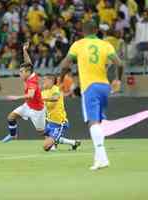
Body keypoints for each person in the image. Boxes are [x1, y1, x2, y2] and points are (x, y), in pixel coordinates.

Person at [59, 21, 124, 171]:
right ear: (96, 30)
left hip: (89, 86)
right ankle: (98, 158)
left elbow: (65, 64)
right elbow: (120, 64)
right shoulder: (105, 45)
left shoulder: (78, 44)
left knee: (92, 122)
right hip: (104, 86)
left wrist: (61, 79)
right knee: (98, 123)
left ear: (83, 31)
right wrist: (118, 80)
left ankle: (103, 158)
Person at [2, 42, 45, 143]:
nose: (19, 73)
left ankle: (63, 140)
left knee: (43, 132)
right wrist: (24, 50)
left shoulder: (32, 82)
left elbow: (31, 95)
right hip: (28, 105)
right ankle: (13, 135)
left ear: (27, 72)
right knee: (11, 117)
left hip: (37, 110)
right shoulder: (31, 74)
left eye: (21, 72)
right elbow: (28, 62)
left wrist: (15, 97)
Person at [41, 74, 81, 151]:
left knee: (46, 147)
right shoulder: (43, 92)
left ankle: (53, 145)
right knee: (49, 137)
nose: (43, 82)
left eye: (45, 80)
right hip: (50, 121)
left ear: (51, 81)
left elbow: (55, 98)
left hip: (59, 122)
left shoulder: (56, 89)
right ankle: (73, 143)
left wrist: (43, 99)